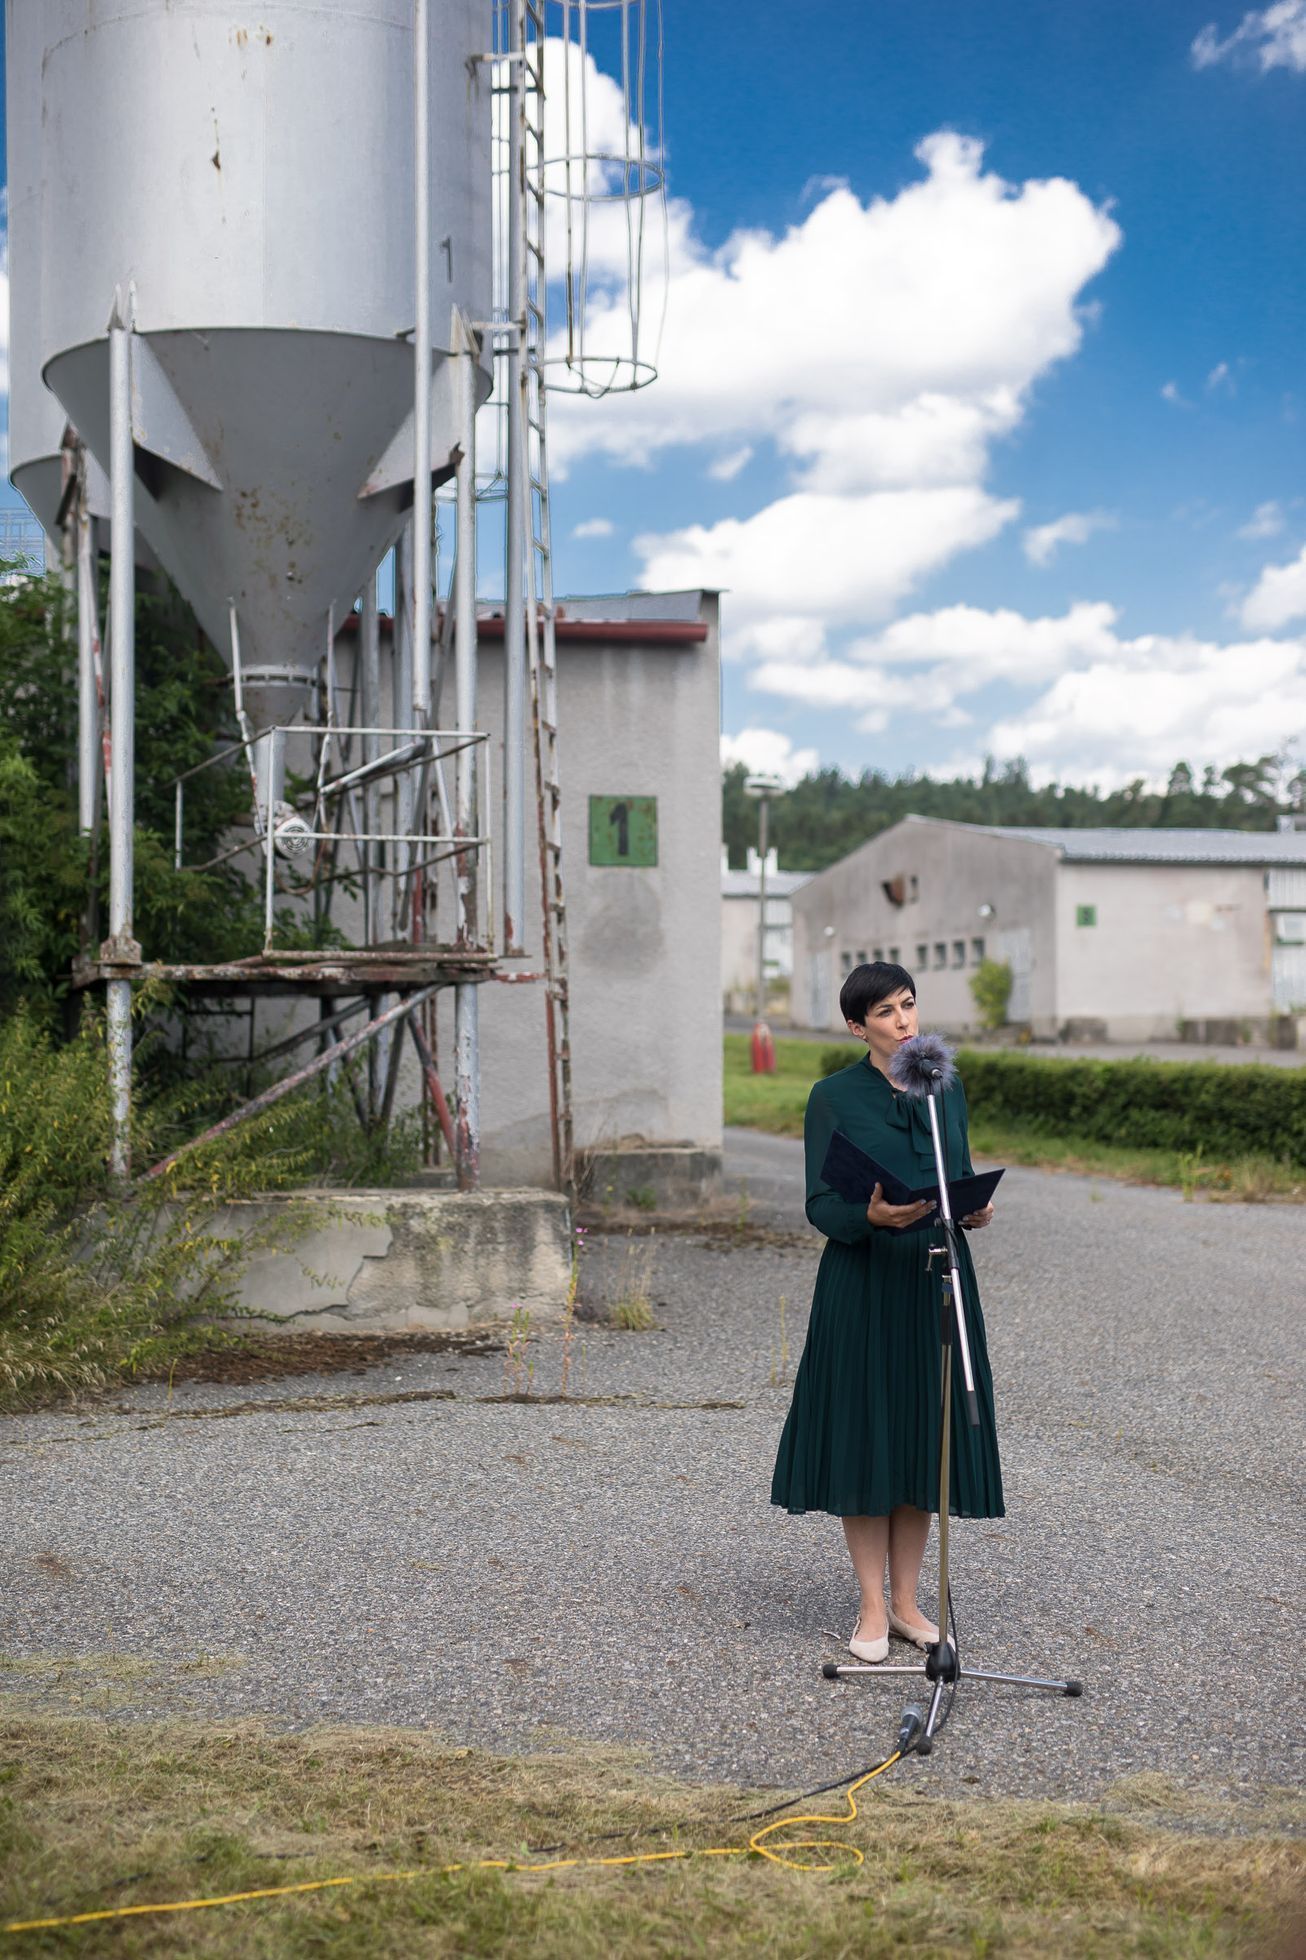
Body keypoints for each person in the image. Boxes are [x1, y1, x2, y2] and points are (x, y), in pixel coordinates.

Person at [770, 961, 1004, 1663]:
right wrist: (867, 1215)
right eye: (886, 1013)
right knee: (867, 1436)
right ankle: (872, 1606)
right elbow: (821, 1204)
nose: (904, 1021)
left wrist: (975, 1206)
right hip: (865, 1280)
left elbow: (955, 1173)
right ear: (856, 1027)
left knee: (923, 1441)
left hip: (936, 1278)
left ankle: (907, 1603)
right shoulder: (832, 1096)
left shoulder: (945, 1090)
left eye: (908, 1005)